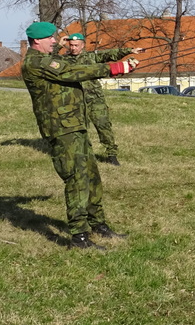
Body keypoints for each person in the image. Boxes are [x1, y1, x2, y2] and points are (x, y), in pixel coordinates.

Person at [21, 21, 138, 249]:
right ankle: (79, 236)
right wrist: (113, 69)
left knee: (91, 176)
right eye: (50, 38)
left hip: (75, 125)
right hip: (61, 129)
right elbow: (71, 71)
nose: (55, 41)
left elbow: (67, 63)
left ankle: (98, 224)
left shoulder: (47, 59)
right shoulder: (35, 63)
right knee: (76, 179)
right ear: (37, 41)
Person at [61, 33, 144, 166]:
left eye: (76, 45)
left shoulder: (91, 57)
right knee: (77, 129)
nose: (73, 48)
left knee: (103, 125)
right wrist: (58, 45)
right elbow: (47, 61)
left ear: (82, 45)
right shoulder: (64, 60)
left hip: (95, 99)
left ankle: (111, 154)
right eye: (71, 45)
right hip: (75, 100)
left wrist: (129, 50)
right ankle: (81, 155)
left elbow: (110, 54)